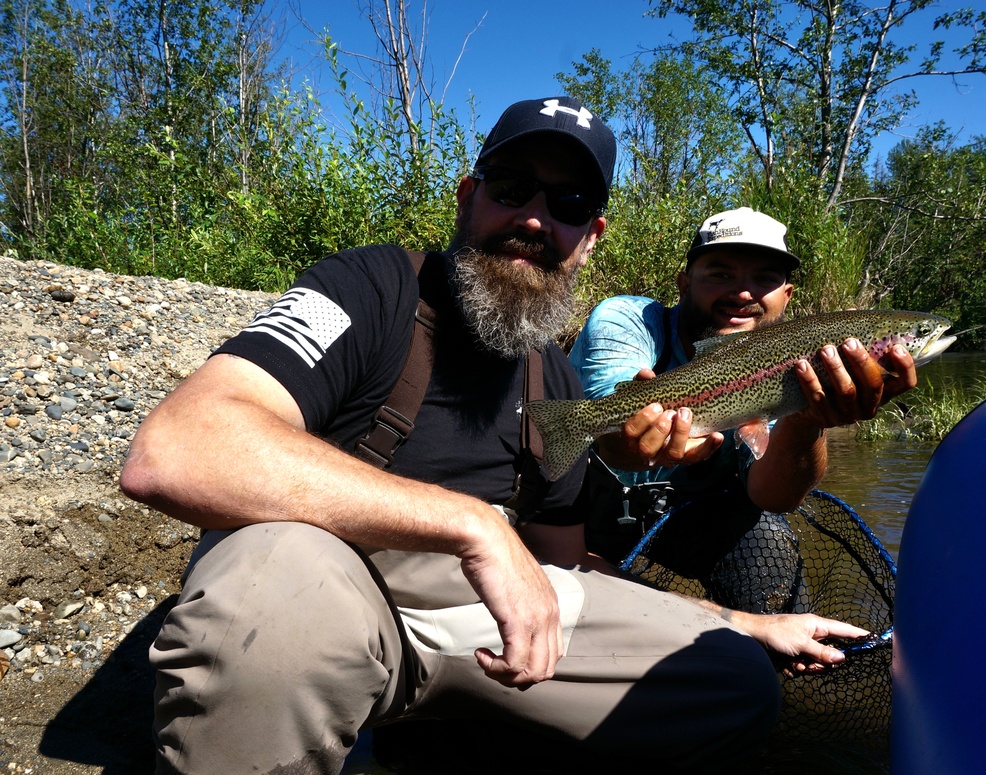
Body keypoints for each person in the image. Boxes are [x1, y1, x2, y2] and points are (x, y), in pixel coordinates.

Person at [120, 98, 870, 774]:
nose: (536, 218)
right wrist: (472, 523)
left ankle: (446, 735)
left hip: (476, 627)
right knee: (271, 601)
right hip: (327, 582)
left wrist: (741, 622)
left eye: (569, 202)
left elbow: (569, 576)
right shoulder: (368, 287)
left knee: (731, 684)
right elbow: (179, 447)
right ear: (468, 196)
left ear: (591, 236)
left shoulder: (558, 385)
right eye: (512, 188)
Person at [569, 207, 918, 608]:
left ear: (786, 296)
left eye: (765, 278)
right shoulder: (627, 321)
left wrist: (807, 422)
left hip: (703, 526)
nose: (743, 293)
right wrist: (621, 436)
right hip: (582, 520)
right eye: (721, 274)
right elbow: (607, 408)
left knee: (768, 538)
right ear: (683, 284)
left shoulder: (793, 366)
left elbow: (774, 497)